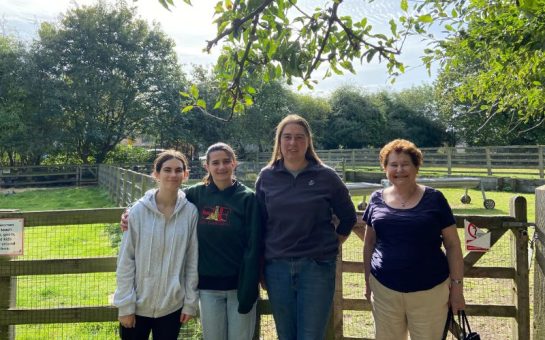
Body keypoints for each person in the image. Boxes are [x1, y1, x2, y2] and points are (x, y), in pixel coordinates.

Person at [120, 143, 261, 340]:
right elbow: (163, 194)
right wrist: (131, 211)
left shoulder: (248, 199)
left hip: (240, 286)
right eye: (215, 162)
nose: (221, 167)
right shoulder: (196, 195)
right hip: (209, 287)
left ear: (234, 163)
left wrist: (251, 285)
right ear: (207, 166)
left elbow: (255, 246)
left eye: (226, 161)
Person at [255, 114, 357, 340]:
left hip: (316, 268)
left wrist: (331, 244)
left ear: (308, 141)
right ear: (279, 141)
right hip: (277, 268)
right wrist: (261, 266)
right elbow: (260, 224)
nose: (293, 143)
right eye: (287, 137)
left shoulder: (326, 176)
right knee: (286, 334)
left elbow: (348, 217)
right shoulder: (267, 177)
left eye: (299, 137)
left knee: (311, 335)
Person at [362, 139, 465, 340]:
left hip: (430, 292)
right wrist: (368, 283)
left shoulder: (435, 199)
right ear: (385, 169)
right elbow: (369, 244)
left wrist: (457, 288)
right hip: (385, 291)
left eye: (405, 164)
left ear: (416, 167)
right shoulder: (375, 199)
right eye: (393, 164)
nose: (399, 170)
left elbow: (453, 245)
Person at [114, 150, 199, 340]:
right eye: (167, 170)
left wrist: (190, 302)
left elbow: (192, 260)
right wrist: (125, 305)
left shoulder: (190, 212)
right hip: (136, 306)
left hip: (172, 306)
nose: (173, 175)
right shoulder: (137, 211)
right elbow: (126, 260)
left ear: (185, 175)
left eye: (178, 170)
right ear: (156, 174)